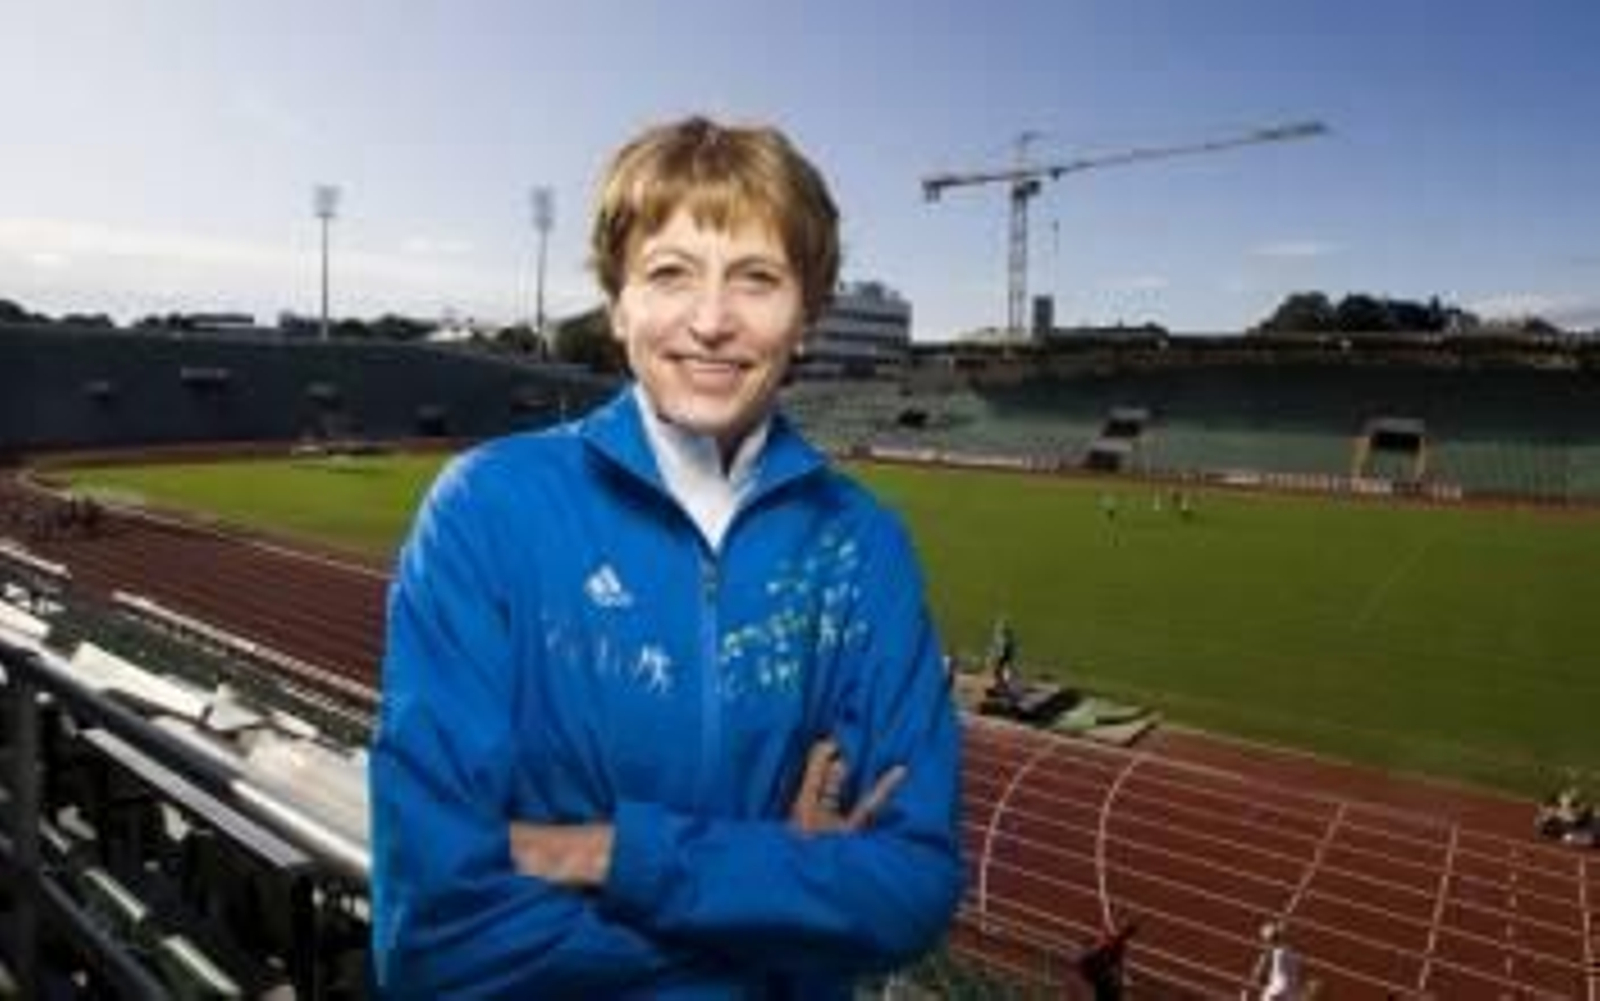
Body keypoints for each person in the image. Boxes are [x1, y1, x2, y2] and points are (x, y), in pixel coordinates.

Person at [369, 116, 963, 998]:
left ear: (808, 315)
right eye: (670, 274)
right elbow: (437, 936)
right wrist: (776, 910)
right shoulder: (486, 510)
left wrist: (607, 851)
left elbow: (912, 886)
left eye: (757, 279)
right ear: (618, 304)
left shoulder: (862, 544)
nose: (712, 321)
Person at [1075, 920, 1137, 1000]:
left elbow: (1116, 944)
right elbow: (1115, 945)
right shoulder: (1098, 957)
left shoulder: (1102, 955)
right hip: (1108, 988)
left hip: (1108, 988)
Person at [1259, 922, 1303, 1001]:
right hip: (1292, 990)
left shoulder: (1276, 952)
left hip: (1278, 987)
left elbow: (1261, 971)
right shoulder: (1296, 954)